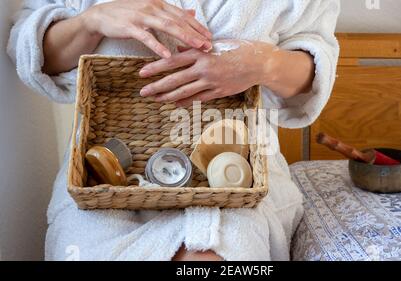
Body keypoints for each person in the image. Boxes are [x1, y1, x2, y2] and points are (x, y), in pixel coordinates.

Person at [8, 0, 340, 261]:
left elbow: (314, 65)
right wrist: (91, 20)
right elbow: (32, 51)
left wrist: (264, 63)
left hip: (241, 177)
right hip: (105, 177)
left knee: (216, 254)